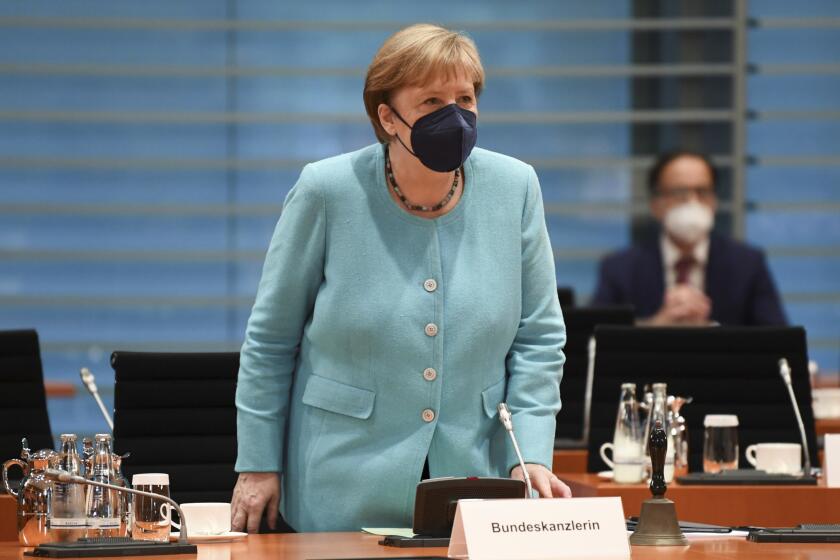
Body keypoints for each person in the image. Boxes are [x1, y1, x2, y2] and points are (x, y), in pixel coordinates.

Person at [231, 23, 570, 534]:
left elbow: (539, 339)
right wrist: (257, 464)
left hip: (475, 476)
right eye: (432, 101)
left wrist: (531, 453)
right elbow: (270, 342)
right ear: (387, 116)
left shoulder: (515, 187)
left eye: (465, 98)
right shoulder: (326, 190)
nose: (454, 115)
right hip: (340, 479)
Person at [592, 151, 786, 326]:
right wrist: (653, 327)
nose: (692, 202)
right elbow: (594, 341)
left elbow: (778, 341)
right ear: (655, 204)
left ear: (714, 201)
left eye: (702, 192)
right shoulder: (620, 268)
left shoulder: (747, 264)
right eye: (679, 193)